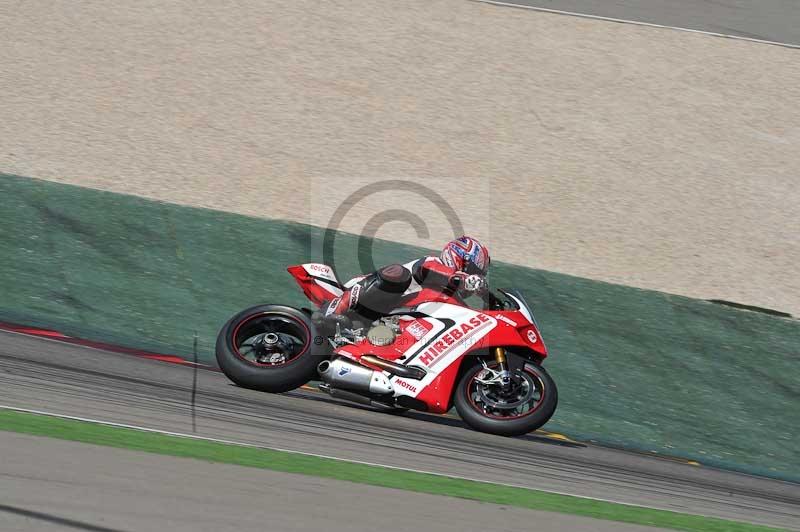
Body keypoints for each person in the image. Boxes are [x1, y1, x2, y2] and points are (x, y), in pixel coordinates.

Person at [317, 236, 491, 328]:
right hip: (368, 297)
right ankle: (335, 309)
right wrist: (463, 279)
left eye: (477, 275)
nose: (473, 276)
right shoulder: (432, 263)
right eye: (471, 270)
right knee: (399, 274)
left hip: (383, 320)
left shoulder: (448, 297)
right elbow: (426, 270)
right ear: (459, 258)